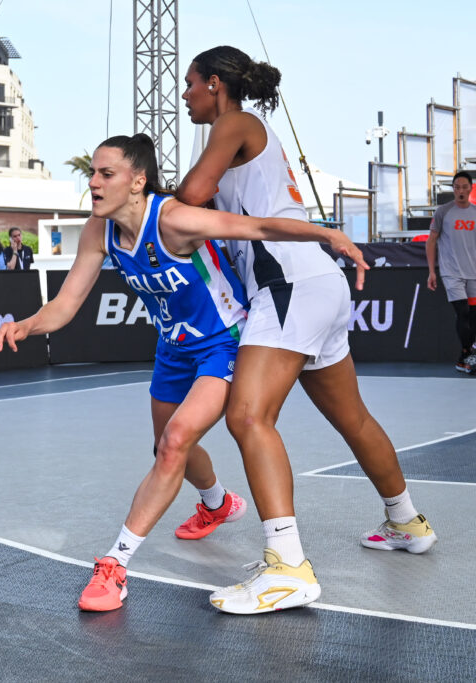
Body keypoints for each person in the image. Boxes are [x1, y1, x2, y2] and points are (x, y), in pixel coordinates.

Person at [0, 133, 367, 613]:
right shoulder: (98, 231)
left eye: (106, 174)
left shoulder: (172, 220)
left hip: (224, 342)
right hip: (174, 346)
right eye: (93, 174)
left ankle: (115, 565)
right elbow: (65, 304)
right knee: (166, 446)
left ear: (137, 181)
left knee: (174, 442)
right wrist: (27, 325)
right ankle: (218, 503)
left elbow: (255, 227)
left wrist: (326, 235)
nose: (94, 183)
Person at [176, 45, 436, 615]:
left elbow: (189, 198)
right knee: (353, 418)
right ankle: (406, 521)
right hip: (315, 283)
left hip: (288, 284)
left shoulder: (235, 122)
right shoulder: (249, 135)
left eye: (191, 84)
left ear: (215, 84)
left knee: (248, 417)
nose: (186, 96)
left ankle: (287, 568)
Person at [426, 170, 476, 374]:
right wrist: (432, 271)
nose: (460, 191)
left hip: (473, 272)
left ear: (471, 188)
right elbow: (431, 241)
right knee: (462, 312)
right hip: (451, 272)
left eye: (464, 187)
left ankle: (463, 359)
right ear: (453, 189)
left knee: (475, 315)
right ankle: (467, 354)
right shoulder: (443, 212)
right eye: (457, 187)